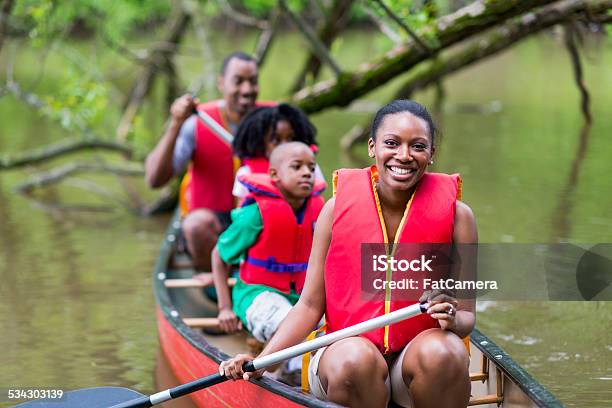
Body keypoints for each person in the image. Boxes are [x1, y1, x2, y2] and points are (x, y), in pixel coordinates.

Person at [218, 100, 478, 408]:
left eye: (418, 146)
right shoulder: (335, 211)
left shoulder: (459, 218)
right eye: (392, 143)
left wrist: (450, 318)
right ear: (372, 147)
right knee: (355, 361)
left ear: (431, 154)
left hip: (415, 358)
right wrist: (262, 361)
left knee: (446, 353)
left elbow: (466, 316)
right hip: (347, 358)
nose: (404, 156)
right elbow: (310, 305)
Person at [144, 52, 273, 270]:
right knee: (195, 225)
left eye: (253, 81)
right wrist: (176, 123)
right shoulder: (197, 121)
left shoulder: (275, 120)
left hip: (261, 217)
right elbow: (155, 179)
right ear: (222, 83)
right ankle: (214, 285)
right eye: (238, 81)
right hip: (215, 221)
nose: (247, 90)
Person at [203, 142, 326, 340]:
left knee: (334, 328)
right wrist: (225, 308)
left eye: (311, 168)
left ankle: (295, 364)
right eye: (297, 167)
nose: (307, 173)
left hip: (305, 296)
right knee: (291, 327)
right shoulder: (255, 214)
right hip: (257, 293)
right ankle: (282, 365)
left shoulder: (320, 211)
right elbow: (219, 255)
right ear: (275, 175)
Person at [231, 103, 325, 200]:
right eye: (276, 140)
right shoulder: (246, 174)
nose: (285, 146)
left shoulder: (310, 168)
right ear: (261, 144)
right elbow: (241, 211)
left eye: (291, 139)